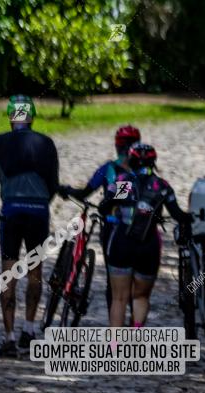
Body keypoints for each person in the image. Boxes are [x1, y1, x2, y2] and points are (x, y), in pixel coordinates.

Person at [0, 95, 59, 357]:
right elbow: (54, 184)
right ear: (32, 117)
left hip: (11, 211)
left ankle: (9, 337)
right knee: (35, 274)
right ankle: (30, 329)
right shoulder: (46, 143)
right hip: (39, 212)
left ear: (12, 118)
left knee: (8, 273)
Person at [100, 143, 191, 328]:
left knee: (119, 298)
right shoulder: (162, 186)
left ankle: (115, 345)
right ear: (153, 162)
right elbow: (178, 216)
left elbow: (105, 207)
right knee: (141, 296)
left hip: (122, 241)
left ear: (131, 161)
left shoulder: (123, 183)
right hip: (148, 244)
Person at [60, 125, 141, 320]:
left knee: (113, 281)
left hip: (113, 231)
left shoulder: (109, 169)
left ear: (117, 145)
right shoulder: (143, 171)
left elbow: (85, 193)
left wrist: (66, 190)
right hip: (140, 231)